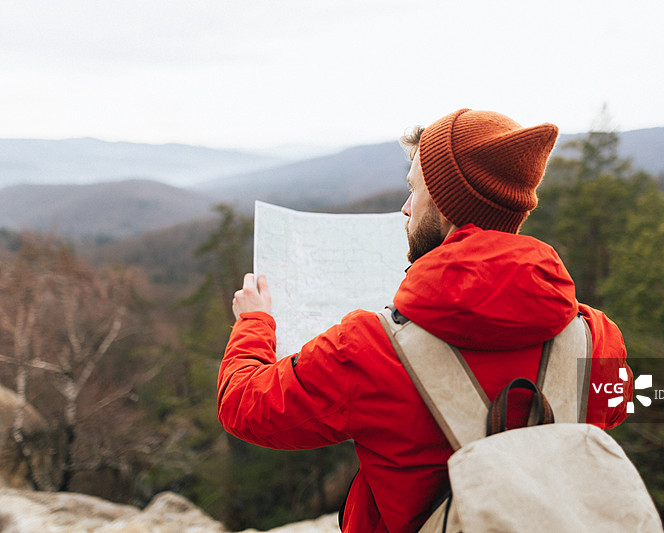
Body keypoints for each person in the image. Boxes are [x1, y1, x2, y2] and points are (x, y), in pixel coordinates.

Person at [218, 108, 632, 533]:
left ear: (443, 200)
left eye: (413, 189)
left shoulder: (368, 348)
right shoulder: (596, 339)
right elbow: (614, 407)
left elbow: (244, 406)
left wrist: (254, 322)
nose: (404, 207)